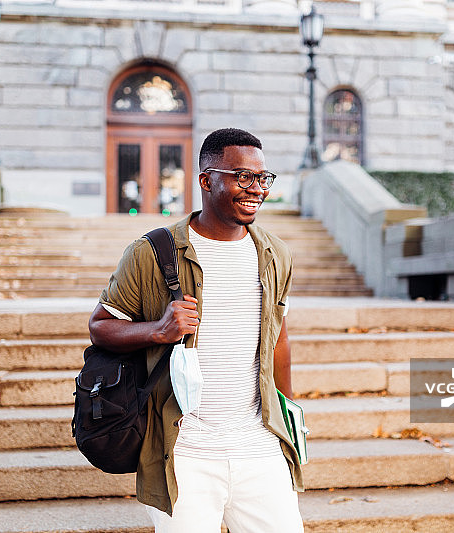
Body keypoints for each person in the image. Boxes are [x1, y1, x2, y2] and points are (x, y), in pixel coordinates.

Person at [88, 128, 304, 532]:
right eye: (243, 177)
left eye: (263, 178)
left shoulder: (275, 254)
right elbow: (101, 327)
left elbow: (279, 338)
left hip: (259, 446)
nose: (256, 188)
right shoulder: (151, 253)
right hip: (183, 451)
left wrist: (290, 419)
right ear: (206, 180)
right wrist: (158, 330)